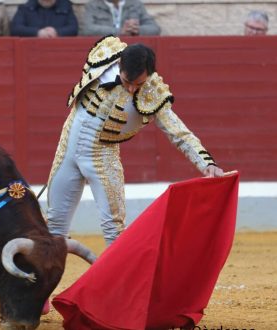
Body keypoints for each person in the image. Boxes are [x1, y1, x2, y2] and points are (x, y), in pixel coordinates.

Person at [46, 36, 224, 247]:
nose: (131, 89)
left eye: (138, 84)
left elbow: (178, 132)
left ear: (149, 74)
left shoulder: (153, 93)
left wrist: (206, 163)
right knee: (54, 227)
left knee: (114, 229)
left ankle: (120, 280)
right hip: (68, 146)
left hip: (102, 156)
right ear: (120, 65)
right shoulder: (105, 54)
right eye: (126, 82)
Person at [83, 0, 160, 36]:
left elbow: (155, 29)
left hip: (131, 50)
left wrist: (136, 30)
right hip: (104, 50)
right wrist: (119, 32)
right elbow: (87, 30)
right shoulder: (93, 5)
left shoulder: (136, 4)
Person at [10, 0, 77, 38]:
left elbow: (73, 28)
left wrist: (57, 32)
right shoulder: (25, 8)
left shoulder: (66, 7)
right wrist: (37, 32)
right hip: (32, 51)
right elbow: (15, 29)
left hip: (59, 50)